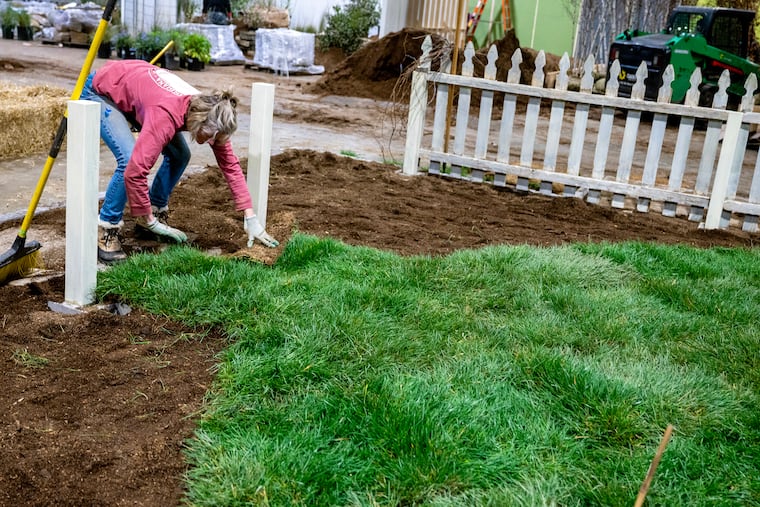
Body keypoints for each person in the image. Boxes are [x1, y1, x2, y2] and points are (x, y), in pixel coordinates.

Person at [80, 59, 278, 264]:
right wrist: (147, 219)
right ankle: (107, 228)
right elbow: (135, 172)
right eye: (209, 135)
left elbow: (230, 166)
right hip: (103, 90)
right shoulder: (166, 116)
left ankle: (155, 212)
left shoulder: (213, 113)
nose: (211, 142)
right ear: (197, 119)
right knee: (129, 159)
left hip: (138, 87)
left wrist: (250, 217)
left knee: (180, 155)